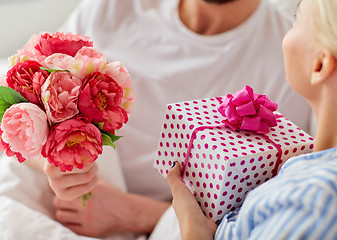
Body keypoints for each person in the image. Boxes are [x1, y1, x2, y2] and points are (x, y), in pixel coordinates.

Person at [42, 0, 313, 238]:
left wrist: (135, 213)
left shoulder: (289, 56)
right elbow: (23, 107)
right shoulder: (111, 8)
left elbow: (257, 215)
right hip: (66, 200)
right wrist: (56, 164)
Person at [167, 0, 337, 239]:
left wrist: (192, 232)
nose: (287, 30)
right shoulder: (325, 173)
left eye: (296, 19)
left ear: (320, 65)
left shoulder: (314, 206)